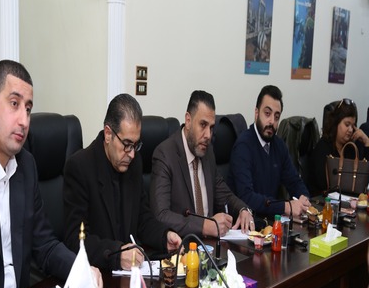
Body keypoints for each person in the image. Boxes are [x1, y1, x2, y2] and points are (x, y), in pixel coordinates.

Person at [0, 60, 102, 288]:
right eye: (14, 104)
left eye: (28, 108)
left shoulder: (25, 165)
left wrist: (82, 270)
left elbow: (45, 245)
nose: (24, 121)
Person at [63, 93, 182, 271]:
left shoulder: (134, 163)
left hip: (132, 272)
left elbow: (143, 219)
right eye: (126, 144)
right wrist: (116, 254)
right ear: (108, 134)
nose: (132, 153)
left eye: (135, 145)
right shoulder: (80, 167)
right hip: (99, 273)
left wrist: (164, 236)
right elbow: (75, 240)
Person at [150, 90, 253, 238]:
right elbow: (161, 215)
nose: (208, 135)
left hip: (210, 245)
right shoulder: (165, 154)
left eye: (211, 127)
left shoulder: (207, 152)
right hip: (181, 245)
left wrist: (243, 209)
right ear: (188, 120)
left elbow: (224, 194)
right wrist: (203, 226)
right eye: (203, 125)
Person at [227, 85, 311, 218]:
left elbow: (294, 181)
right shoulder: (243, 146)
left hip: (272, 220)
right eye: (267, 113)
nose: (272, 121)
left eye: (277, 117)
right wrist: (286, 206)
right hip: (247, 223)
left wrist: (304, 198)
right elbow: (246, 197)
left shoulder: (279, 145)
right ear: (256, 113)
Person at [309, 98, 369, 195]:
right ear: (336, 123)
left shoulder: (351, 148)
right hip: (322, 199)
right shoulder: (323, 146)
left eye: (353, 126)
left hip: (346, 199)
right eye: (347, 124)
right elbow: (323, 183)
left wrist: (367, 142)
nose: (350, 130)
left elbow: (363, 179)